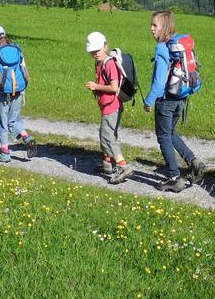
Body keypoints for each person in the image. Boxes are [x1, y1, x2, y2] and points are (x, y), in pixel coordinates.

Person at [143, 11, 205, 192]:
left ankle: (174, 177)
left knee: (163, 136)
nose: (151, 28)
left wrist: (149, 100)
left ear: (165, 27)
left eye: (155, 25)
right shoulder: (176, 46)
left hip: (166, 100)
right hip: (181, 98)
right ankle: (194, 162)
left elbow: (159, 80)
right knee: (170, 132)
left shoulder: (162, 48)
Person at [85, 31, 133, 184]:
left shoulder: (110, 63)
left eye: (97, 50)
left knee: (107, 136)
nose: (95, 54)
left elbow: (113, 88)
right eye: (92, 52)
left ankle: (123, 167)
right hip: (107, 104)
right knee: (106, 133)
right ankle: (107, 163)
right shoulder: (99, 62)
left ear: (105, 46)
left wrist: (95, 86)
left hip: (111, 106)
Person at [0, 24, 36, 163]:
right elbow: (24, 70)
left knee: (2, 122)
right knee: (13, 120)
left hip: (2, 92)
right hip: (18, 90)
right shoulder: (17, 50)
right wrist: (22, 90)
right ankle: (27, 138)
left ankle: (5, 152)